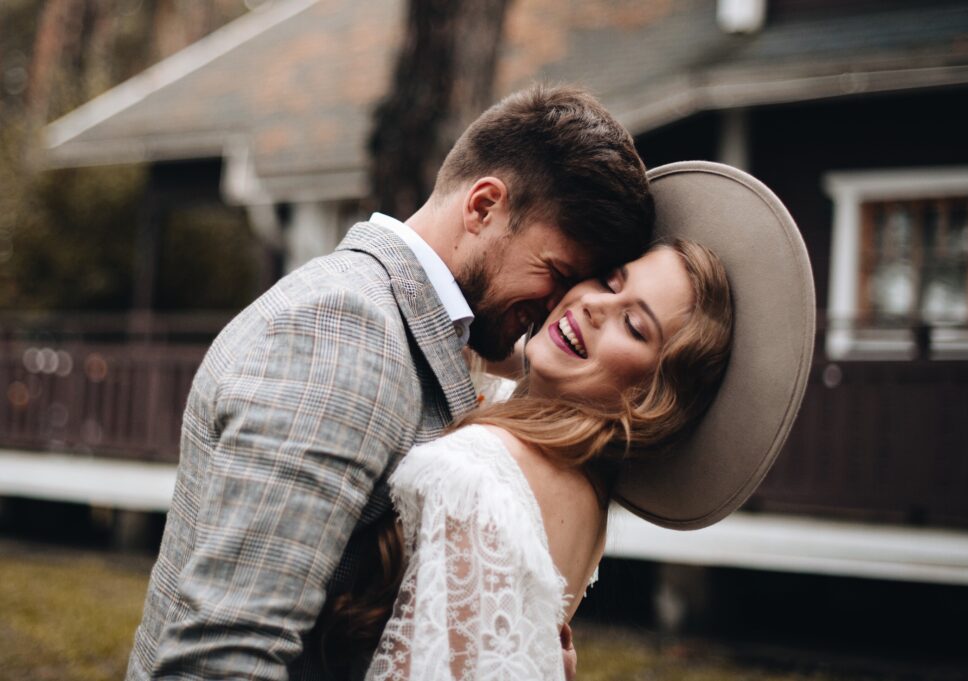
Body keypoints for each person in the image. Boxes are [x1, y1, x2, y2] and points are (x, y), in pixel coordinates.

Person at [126, 85, 654, 681]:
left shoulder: (412, 330)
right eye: (556, 272)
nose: (558, 305)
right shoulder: (346, 332)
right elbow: (224, 658)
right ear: (483, 206)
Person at [319, 161, 818, 681]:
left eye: (634, 324)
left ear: (654, 393)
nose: (596, 305)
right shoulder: (583, 490)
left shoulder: (485, 469)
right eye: (608, 279)